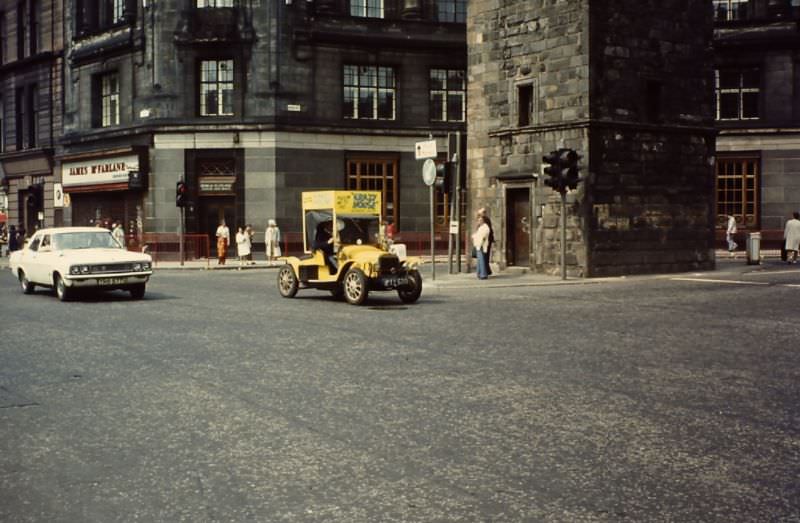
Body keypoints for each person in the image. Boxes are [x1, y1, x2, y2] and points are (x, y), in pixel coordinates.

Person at [472, 214, 491, 280]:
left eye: (480, 220)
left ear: (483, 221)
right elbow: (477, 235)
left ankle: (483, 274)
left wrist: (479, 244)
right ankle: (479, 273)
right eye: (478, 220)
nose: (479, 222)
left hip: (481, 246)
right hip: (478, 245)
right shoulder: (481, 227)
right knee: (479, 260)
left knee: (481, 260)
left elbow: (483, 237)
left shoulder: (485, 228)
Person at [477, 207, 495, 275]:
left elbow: (485, 232)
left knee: (484, 256)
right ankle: (486, 271)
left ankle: (484, 272)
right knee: (484, 256)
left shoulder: (485, 220)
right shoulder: (485, 220)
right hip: (485, 241)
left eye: (479, 213)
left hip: (484, 242)